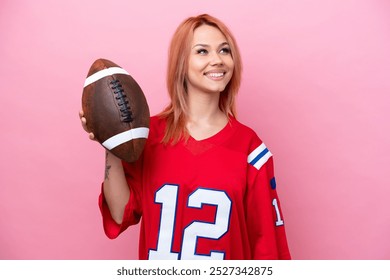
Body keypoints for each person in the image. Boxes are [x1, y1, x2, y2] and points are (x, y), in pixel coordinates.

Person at [80, 14, 291, 260]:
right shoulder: (149, 135)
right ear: (182, 62)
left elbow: (267, 246)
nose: (217, 60)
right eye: (202, 51)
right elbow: (120, 213)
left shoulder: (250, 149)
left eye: (224, 50)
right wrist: (112, 141)